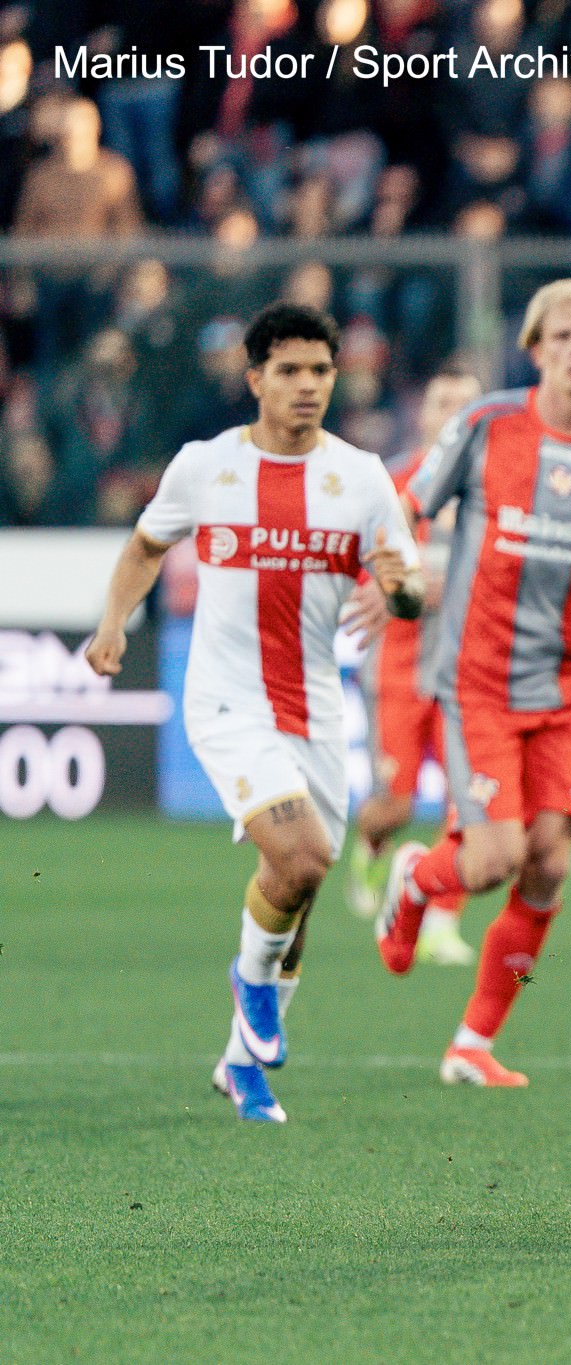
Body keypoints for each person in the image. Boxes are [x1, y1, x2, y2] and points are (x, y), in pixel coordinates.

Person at [84, 302, 425, 1124]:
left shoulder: (362, 477)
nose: (307, 385)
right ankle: (250, 986)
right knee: (303, 857)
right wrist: (111, 624)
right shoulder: (205, 466)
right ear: (256, 379)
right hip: (226, 696)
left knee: (297, 888)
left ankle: (242, 1064)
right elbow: (144, 547)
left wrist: (399, 585)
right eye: (289, 371)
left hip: (315, 703)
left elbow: (409, 591)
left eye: (320, 370)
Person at [373, 279, 571, 1088]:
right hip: (478, 680)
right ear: (536, 348)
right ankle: (416, 876)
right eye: (563, 335)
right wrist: (394, 578)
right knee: (490, 861)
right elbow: (406, 507)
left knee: (547, 863)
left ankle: (472, 1043)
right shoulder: (485, 426)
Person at [340, 364, 485, 969]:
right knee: (394, 805)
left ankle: (442, 923)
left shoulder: (496, 491)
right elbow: (358, 567)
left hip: (470, 674)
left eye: (465, 404)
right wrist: (399, 586)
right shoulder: (390, 485)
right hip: (398, 668)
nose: (451, 413)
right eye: (440, 401)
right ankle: (370, 846)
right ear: (421, 414)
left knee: (468, 804)